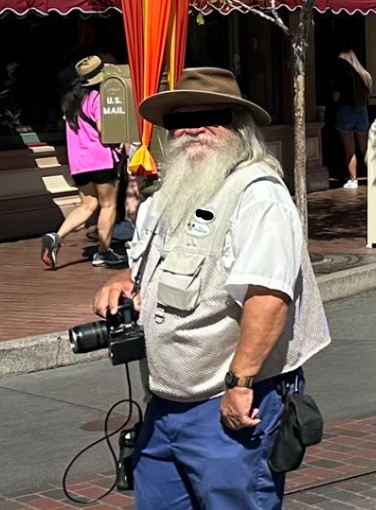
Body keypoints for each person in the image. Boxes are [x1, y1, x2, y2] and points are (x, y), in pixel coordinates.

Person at [94, 67, 331, 509]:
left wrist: (239, 385)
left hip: (232, 405)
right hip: (164, 404)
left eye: (213, 115)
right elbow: (144, 265)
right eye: (180, 121)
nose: (194, 129)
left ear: (239, 126)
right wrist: (123, 279)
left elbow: (269, 298)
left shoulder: (259, 195)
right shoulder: (163, 199)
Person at [41, 55, 126, 269]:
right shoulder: (96, 98)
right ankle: (104, 252)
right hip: (101, 160)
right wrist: (119, 139)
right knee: (108, 205)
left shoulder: (69, 102)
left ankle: (56, 236)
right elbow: (103, 130)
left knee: (88, 205)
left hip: (79, 163)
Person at [332, 49, 373, 189]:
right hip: (362, 111)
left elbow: (335, 97)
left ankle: (353, 180)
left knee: (350, 150)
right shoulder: (365, 75)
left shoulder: (341, 74)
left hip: (346, 111)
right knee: (365, 148)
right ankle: (373, 175)